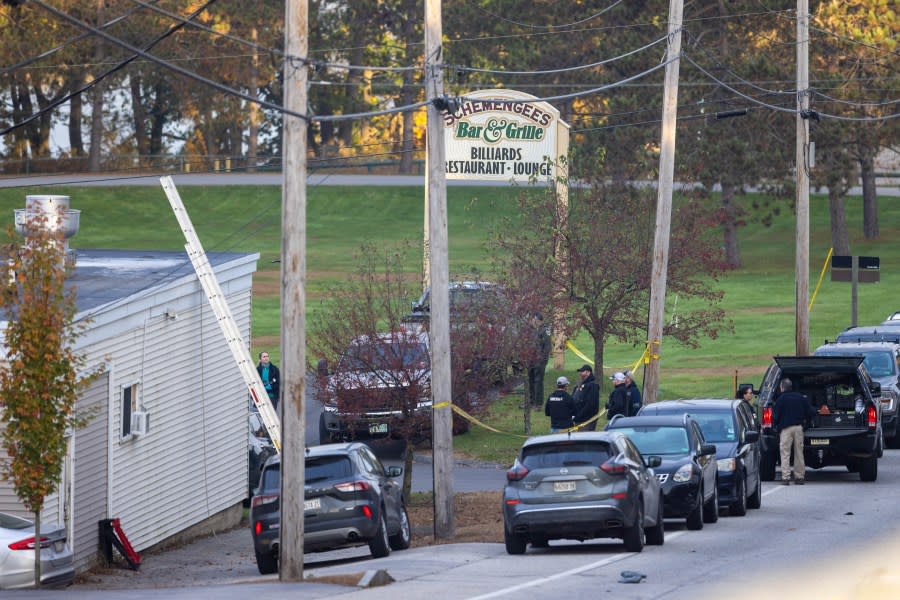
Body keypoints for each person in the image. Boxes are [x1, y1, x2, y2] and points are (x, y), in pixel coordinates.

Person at [772, 378, 816, 485]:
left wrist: (775, 427)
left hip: (785, 429)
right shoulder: (801, 398)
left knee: (785, 453)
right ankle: (799, 477)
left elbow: (775, 416)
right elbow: (811, 412)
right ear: (791, 387)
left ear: (782, 388)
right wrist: (807, 423)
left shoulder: (780, 399)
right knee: (799, 453)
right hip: (798, 428)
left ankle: (786, 477)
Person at [527, 316, 552, 407]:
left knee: (538, 381)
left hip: (539, 360)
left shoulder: (545, 330)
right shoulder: (533, 330)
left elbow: (547, 347)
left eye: (533, 319)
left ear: (537, 320)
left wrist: (542, 360)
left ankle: (538, 403)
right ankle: (531, 401)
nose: (532, 321)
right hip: (531, 360)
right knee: (531, 380)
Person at [572, 364, 600, 431]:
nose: (580, 373)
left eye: (582, 371)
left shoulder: (593, 386)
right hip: (578, 419)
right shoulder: (581, 385)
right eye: (580, 372)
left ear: (588, 373)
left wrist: (579, 415)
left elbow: (591, 404)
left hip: (587, 420)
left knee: (584, 440)